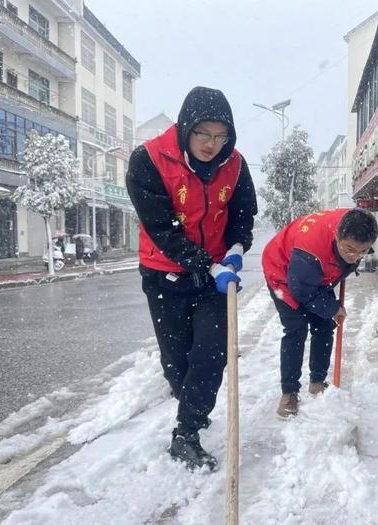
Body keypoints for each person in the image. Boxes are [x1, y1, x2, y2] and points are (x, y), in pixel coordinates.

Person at [126, 86, 258, 471]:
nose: (211, 144)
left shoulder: (235, 164)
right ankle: (190, 399)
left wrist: (236, 247)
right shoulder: (148, 159)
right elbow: (161, 229)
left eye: (220, 136)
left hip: (214, 278)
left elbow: (242, 213)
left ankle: (187, 431)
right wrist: (208, 265)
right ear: (186, 128)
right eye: (203, 134)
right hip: (165, 273)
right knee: (176, 361)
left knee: (210, 355)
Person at [262, 208, 378, 418]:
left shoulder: (356, 225)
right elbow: (301, 290)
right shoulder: (310, 249)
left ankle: (317, 381)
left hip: (316, 274)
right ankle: (289, 393)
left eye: (363, 252)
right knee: (296, 330)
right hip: (283, 274)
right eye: (350, 249)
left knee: (324, 326)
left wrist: (329, 309)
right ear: (337, 235)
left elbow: (345, 259)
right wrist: (332, 308)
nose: (355, 257)